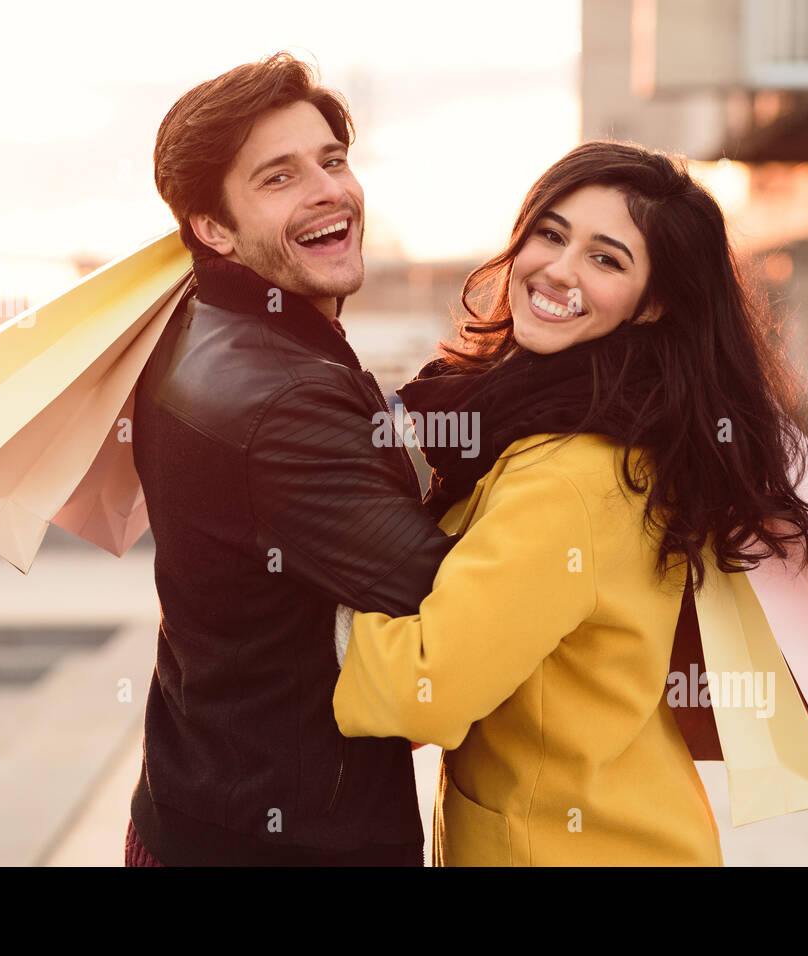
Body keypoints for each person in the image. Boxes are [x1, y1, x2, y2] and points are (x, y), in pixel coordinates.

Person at [331, 140, 808, 866]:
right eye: (551, 233)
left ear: (653, 302)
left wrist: (301, 616)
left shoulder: (574, 473)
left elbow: (426, 688)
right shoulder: (597, 426)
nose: (559, 270)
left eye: (606, 259)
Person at [127, 52, 457, 866]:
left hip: (196, 805)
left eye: (333, 161)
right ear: (212, 228)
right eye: (278, 178)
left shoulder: (198, 326)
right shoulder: (280, 399)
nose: (328, 192)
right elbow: (448, 602)